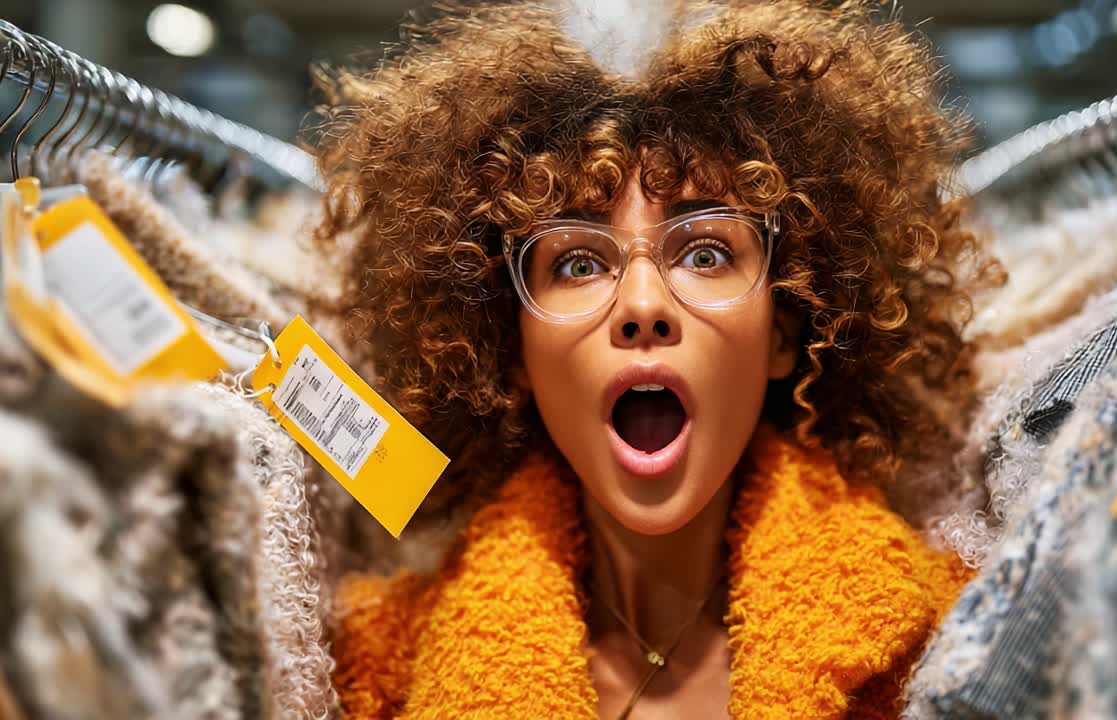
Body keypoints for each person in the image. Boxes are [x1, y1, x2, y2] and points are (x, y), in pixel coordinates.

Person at [313, 1, 996, 717]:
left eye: (704, 253)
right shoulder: (374, 677)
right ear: (509, 349)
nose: (643, 304)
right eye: (578, 263)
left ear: (784, 332)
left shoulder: (952, 646)